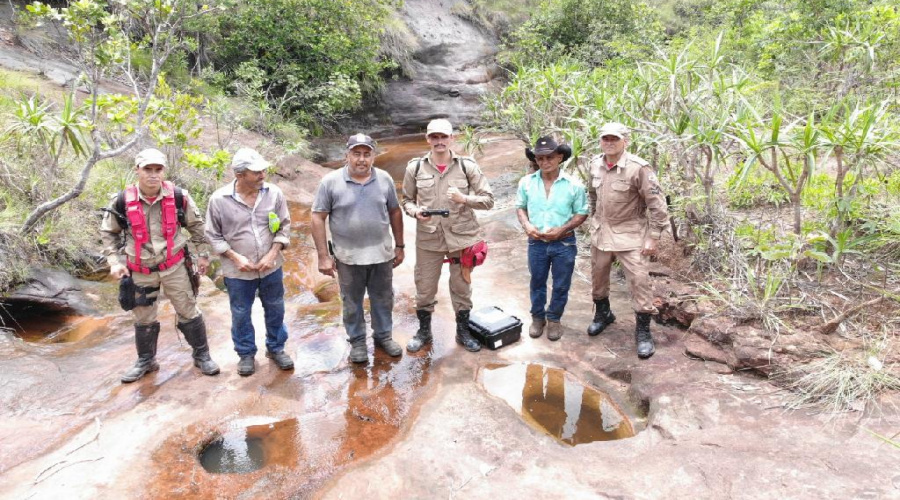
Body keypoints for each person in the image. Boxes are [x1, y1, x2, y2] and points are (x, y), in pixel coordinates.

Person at [101, 148, 220, 383]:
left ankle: (202, 355)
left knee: (187, 309)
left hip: (175, 266)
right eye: (148, 169)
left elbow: (197, 228)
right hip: (140, 269)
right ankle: (146, 360)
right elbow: (108, 233)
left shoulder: (178, 197)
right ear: (137, 170)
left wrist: (203, 256)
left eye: (158, 169)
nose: (153, 175)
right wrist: (114, 262)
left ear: (164, 171)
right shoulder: (122, 200)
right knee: (143, 316)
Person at [401, 119, 495, 353]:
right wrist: (415, 211)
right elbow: (407, 200)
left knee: (461, 287)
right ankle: (424, 331)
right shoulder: (415, 167)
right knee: (424, 287)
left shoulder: (466, 166)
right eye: (434, 137)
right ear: (428, 140)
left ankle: (462, 332)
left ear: (452, 138)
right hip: (429, 237)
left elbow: (488, 200)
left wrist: (465, 199)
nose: (439, 141)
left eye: (444, 137)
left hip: (461, 237)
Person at [311, 134, 405, 364]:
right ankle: (358, 342)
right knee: (352, 303)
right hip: (348, 257)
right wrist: (323, 256)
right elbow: (317, 217)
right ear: (347, 155)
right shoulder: (331, 182)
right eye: (356, 153)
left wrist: (400, 245)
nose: (361, 159)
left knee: (383, 298)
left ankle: (383, 336)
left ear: (373, 155)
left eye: (366, 154)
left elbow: (395, 211)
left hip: (381, 254)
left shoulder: (384, 179)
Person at [205, 148, 294, 376]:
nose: (263, 174)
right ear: (240, 175)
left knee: (275, 308)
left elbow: (284, 226)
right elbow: (213, 235)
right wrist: (235, 257)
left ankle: (276, 348)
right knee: (241, 312)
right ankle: (246, 354)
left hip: (271, 266)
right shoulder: (219, 200)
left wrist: (273, 253)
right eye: (256, 172)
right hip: (237, 271)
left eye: (263, 170)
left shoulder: (274, 193)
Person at [586, 123, 669, 359]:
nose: (609, 142)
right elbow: (593, 196)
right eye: (605, 138)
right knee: (598, 275)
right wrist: (593, 219)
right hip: (601, 232)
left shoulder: (639, 168)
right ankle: (603, 314)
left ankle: (643, 330)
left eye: (615, 138)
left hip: (631, 234)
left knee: (639, 281)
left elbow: (657, 205)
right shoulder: (594, 164)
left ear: (626, 141)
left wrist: (653, 236)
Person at [517, 136, 588, 341]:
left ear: (559, 157)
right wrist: (527, 226)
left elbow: (582, 213)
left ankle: (554, 318)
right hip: (536, 242)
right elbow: (520, 207)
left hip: (564, 243)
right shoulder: (527, 183)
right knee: (537, 281)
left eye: (549, 157)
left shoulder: (574, 184)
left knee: (561, 283)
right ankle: (538, 318)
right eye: (540, 158)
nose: (544, 162)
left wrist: (562, 229)